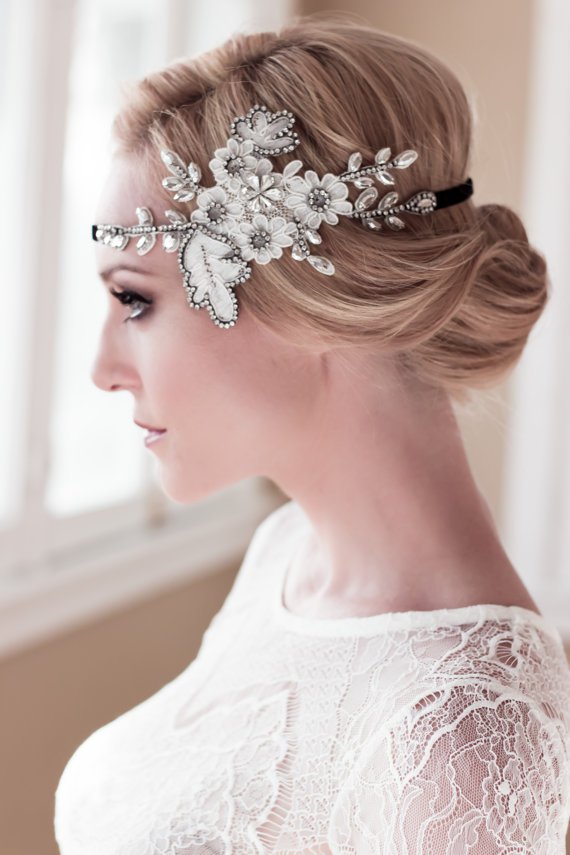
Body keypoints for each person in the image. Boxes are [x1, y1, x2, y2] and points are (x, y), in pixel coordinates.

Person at [54, 14, 570, 854]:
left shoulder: (465, 741)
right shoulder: (286, 553)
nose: (102, 369)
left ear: (309, 296)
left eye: (136, 300)